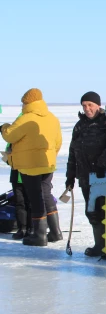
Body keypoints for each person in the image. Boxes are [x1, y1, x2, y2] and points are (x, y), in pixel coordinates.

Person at [65, 91, 106, 258]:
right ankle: (100, 245)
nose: (87, 109)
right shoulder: (79, 126)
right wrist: (70, 176)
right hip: (86, 176)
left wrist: (103, 163)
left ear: (98, 105)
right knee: (93, 211)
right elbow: (73, 152)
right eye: (84, 105)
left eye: (90, 105)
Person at [1, 88, 62, 246]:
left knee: (35, 199)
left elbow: (9, 135)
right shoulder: (52, 118)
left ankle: (39, 235)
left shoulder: (26, 118)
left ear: (27, 102)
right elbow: (58, 142)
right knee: (47, 195)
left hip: (30, 166)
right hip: (48, 164)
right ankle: (55, 232)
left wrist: (4, 126)